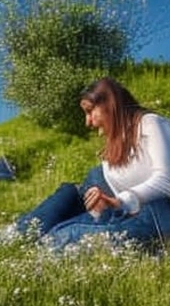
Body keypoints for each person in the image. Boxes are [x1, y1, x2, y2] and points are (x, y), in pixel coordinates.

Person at [15, 77, 170, 251]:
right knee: (64, 202)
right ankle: (12, 235)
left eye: (89, 111)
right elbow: (115, 204)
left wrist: (119, 201)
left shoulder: (150, 123)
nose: (87, 122)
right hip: (120, 208)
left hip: (158, 211)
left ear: (109, 105)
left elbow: (166, 180)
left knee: (57, 239)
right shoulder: (114, 147)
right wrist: (101, 200)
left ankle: (24, 240)